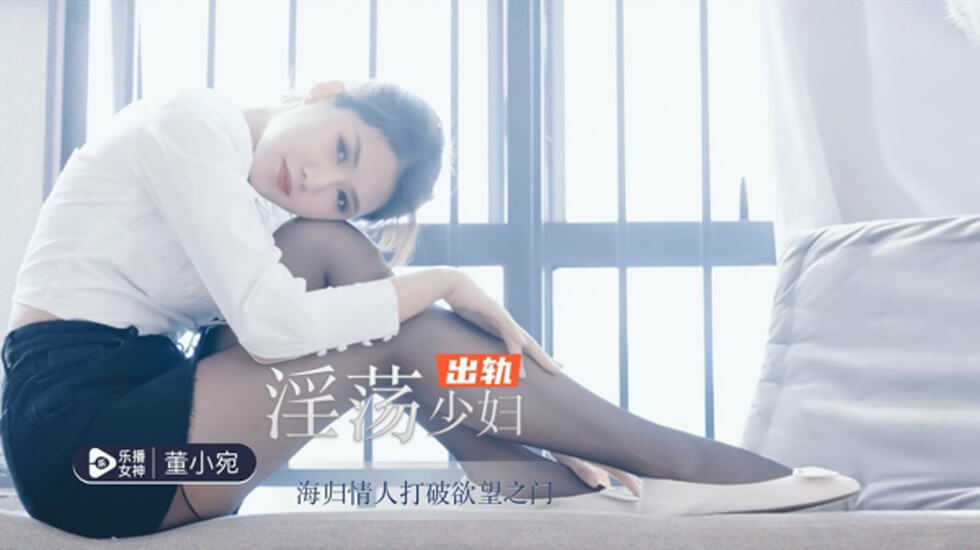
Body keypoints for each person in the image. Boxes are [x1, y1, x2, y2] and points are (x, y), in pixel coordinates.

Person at [1, 79, 859, 539]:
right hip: (92, 458)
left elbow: (318, 297)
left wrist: (439, 322)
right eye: (340, 147)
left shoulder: (276, 213)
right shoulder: (191, 127)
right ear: (321, 93)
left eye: (346, 193)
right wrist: (443, 280)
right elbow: (271, 330)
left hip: (173, 439)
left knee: (336, 260)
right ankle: (648, 459)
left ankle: (546, 474)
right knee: (388, 322)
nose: (319, 181)